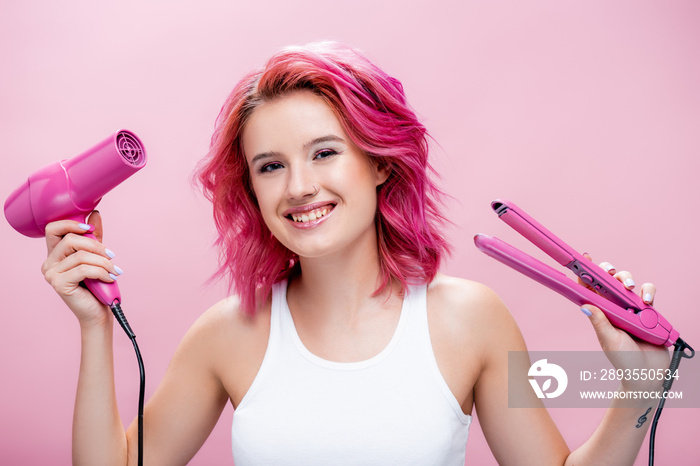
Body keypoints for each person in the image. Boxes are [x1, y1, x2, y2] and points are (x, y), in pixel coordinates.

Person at [42, 42, 669, 465]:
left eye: (324, 152)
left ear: (378, 163)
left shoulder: (470, 319)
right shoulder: (228, 334)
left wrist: (644, 384)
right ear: (251, 189)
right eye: (270, 166)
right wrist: (93, 326)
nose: (299, 187)